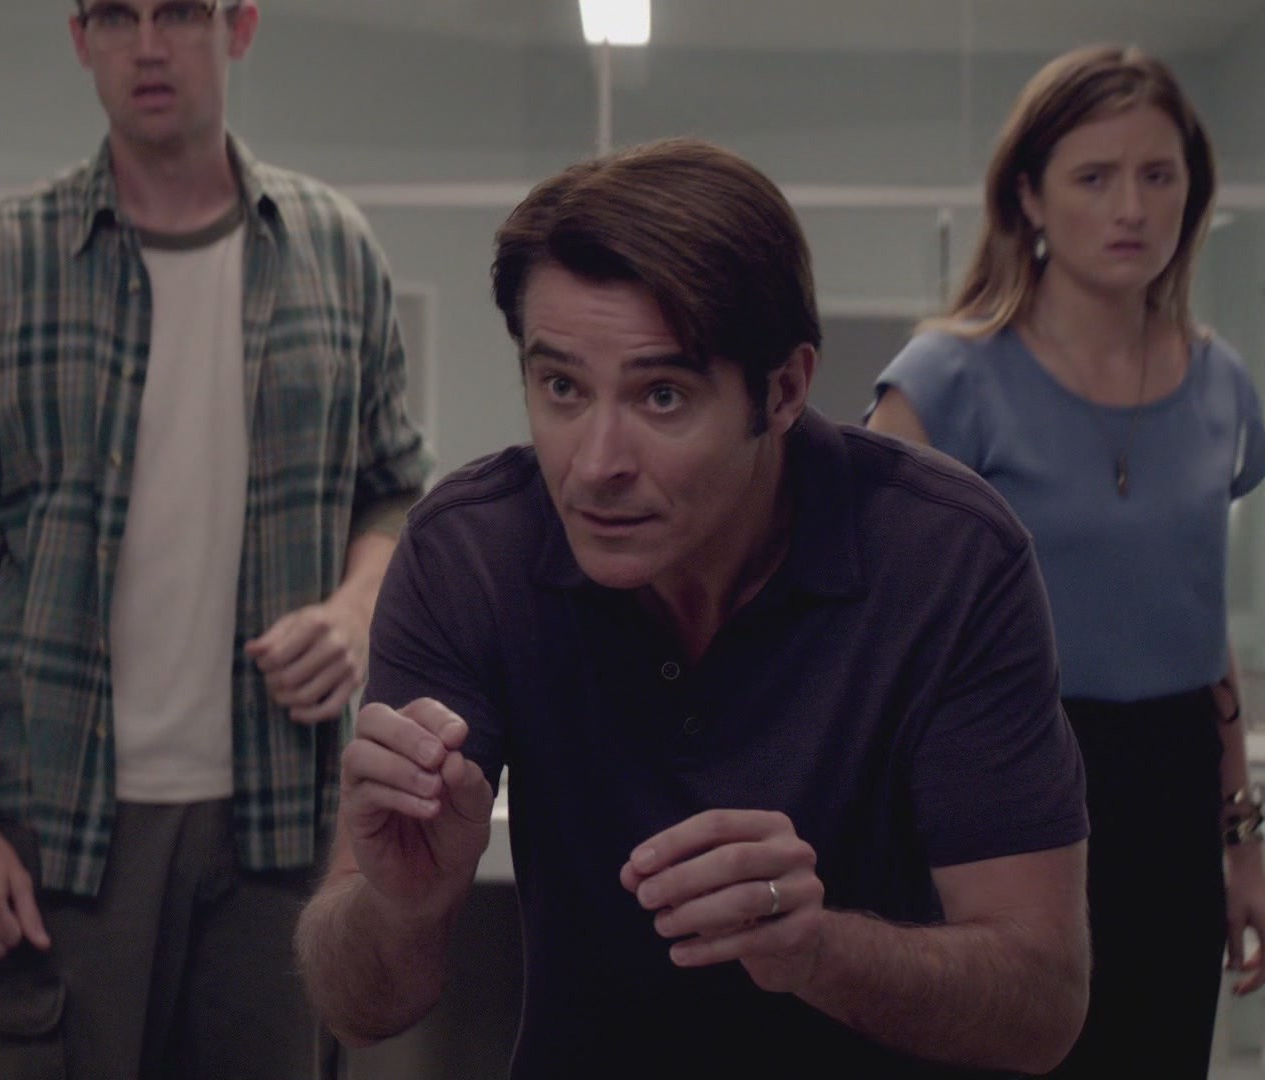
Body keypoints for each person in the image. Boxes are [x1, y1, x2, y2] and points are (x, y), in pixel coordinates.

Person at [294, 137, 1091, 1078]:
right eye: (561, 388)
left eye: (662, 396)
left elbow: (1043, 1006)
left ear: (784, 390)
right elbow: (359, 1007)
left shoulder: (947, 557)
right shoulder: (471, 551)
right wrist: (401, 908)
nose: (596, 465)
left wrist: (818, 951)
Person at [0, 1, 431, 1076]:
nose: (146, 45)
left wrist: (356, 608)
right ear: (78, 37)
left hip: (274, 830)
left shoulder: (333, 252)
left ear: (239, 26)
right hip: (57, 835)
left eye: (178, 11)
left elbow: (398, 492)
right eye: (115, 15)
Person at [866, 44, 1265, 1077]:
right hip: (1007, 783)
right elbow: (868, 634)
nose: (1132, 207)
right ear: (1030, 197)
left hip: (1171, 792)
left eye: (1158, 175)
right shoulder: (946, 381)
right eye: (1095, 177)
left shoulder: (1222, 384)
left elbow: (1198, 626)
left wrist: (1242, 838)